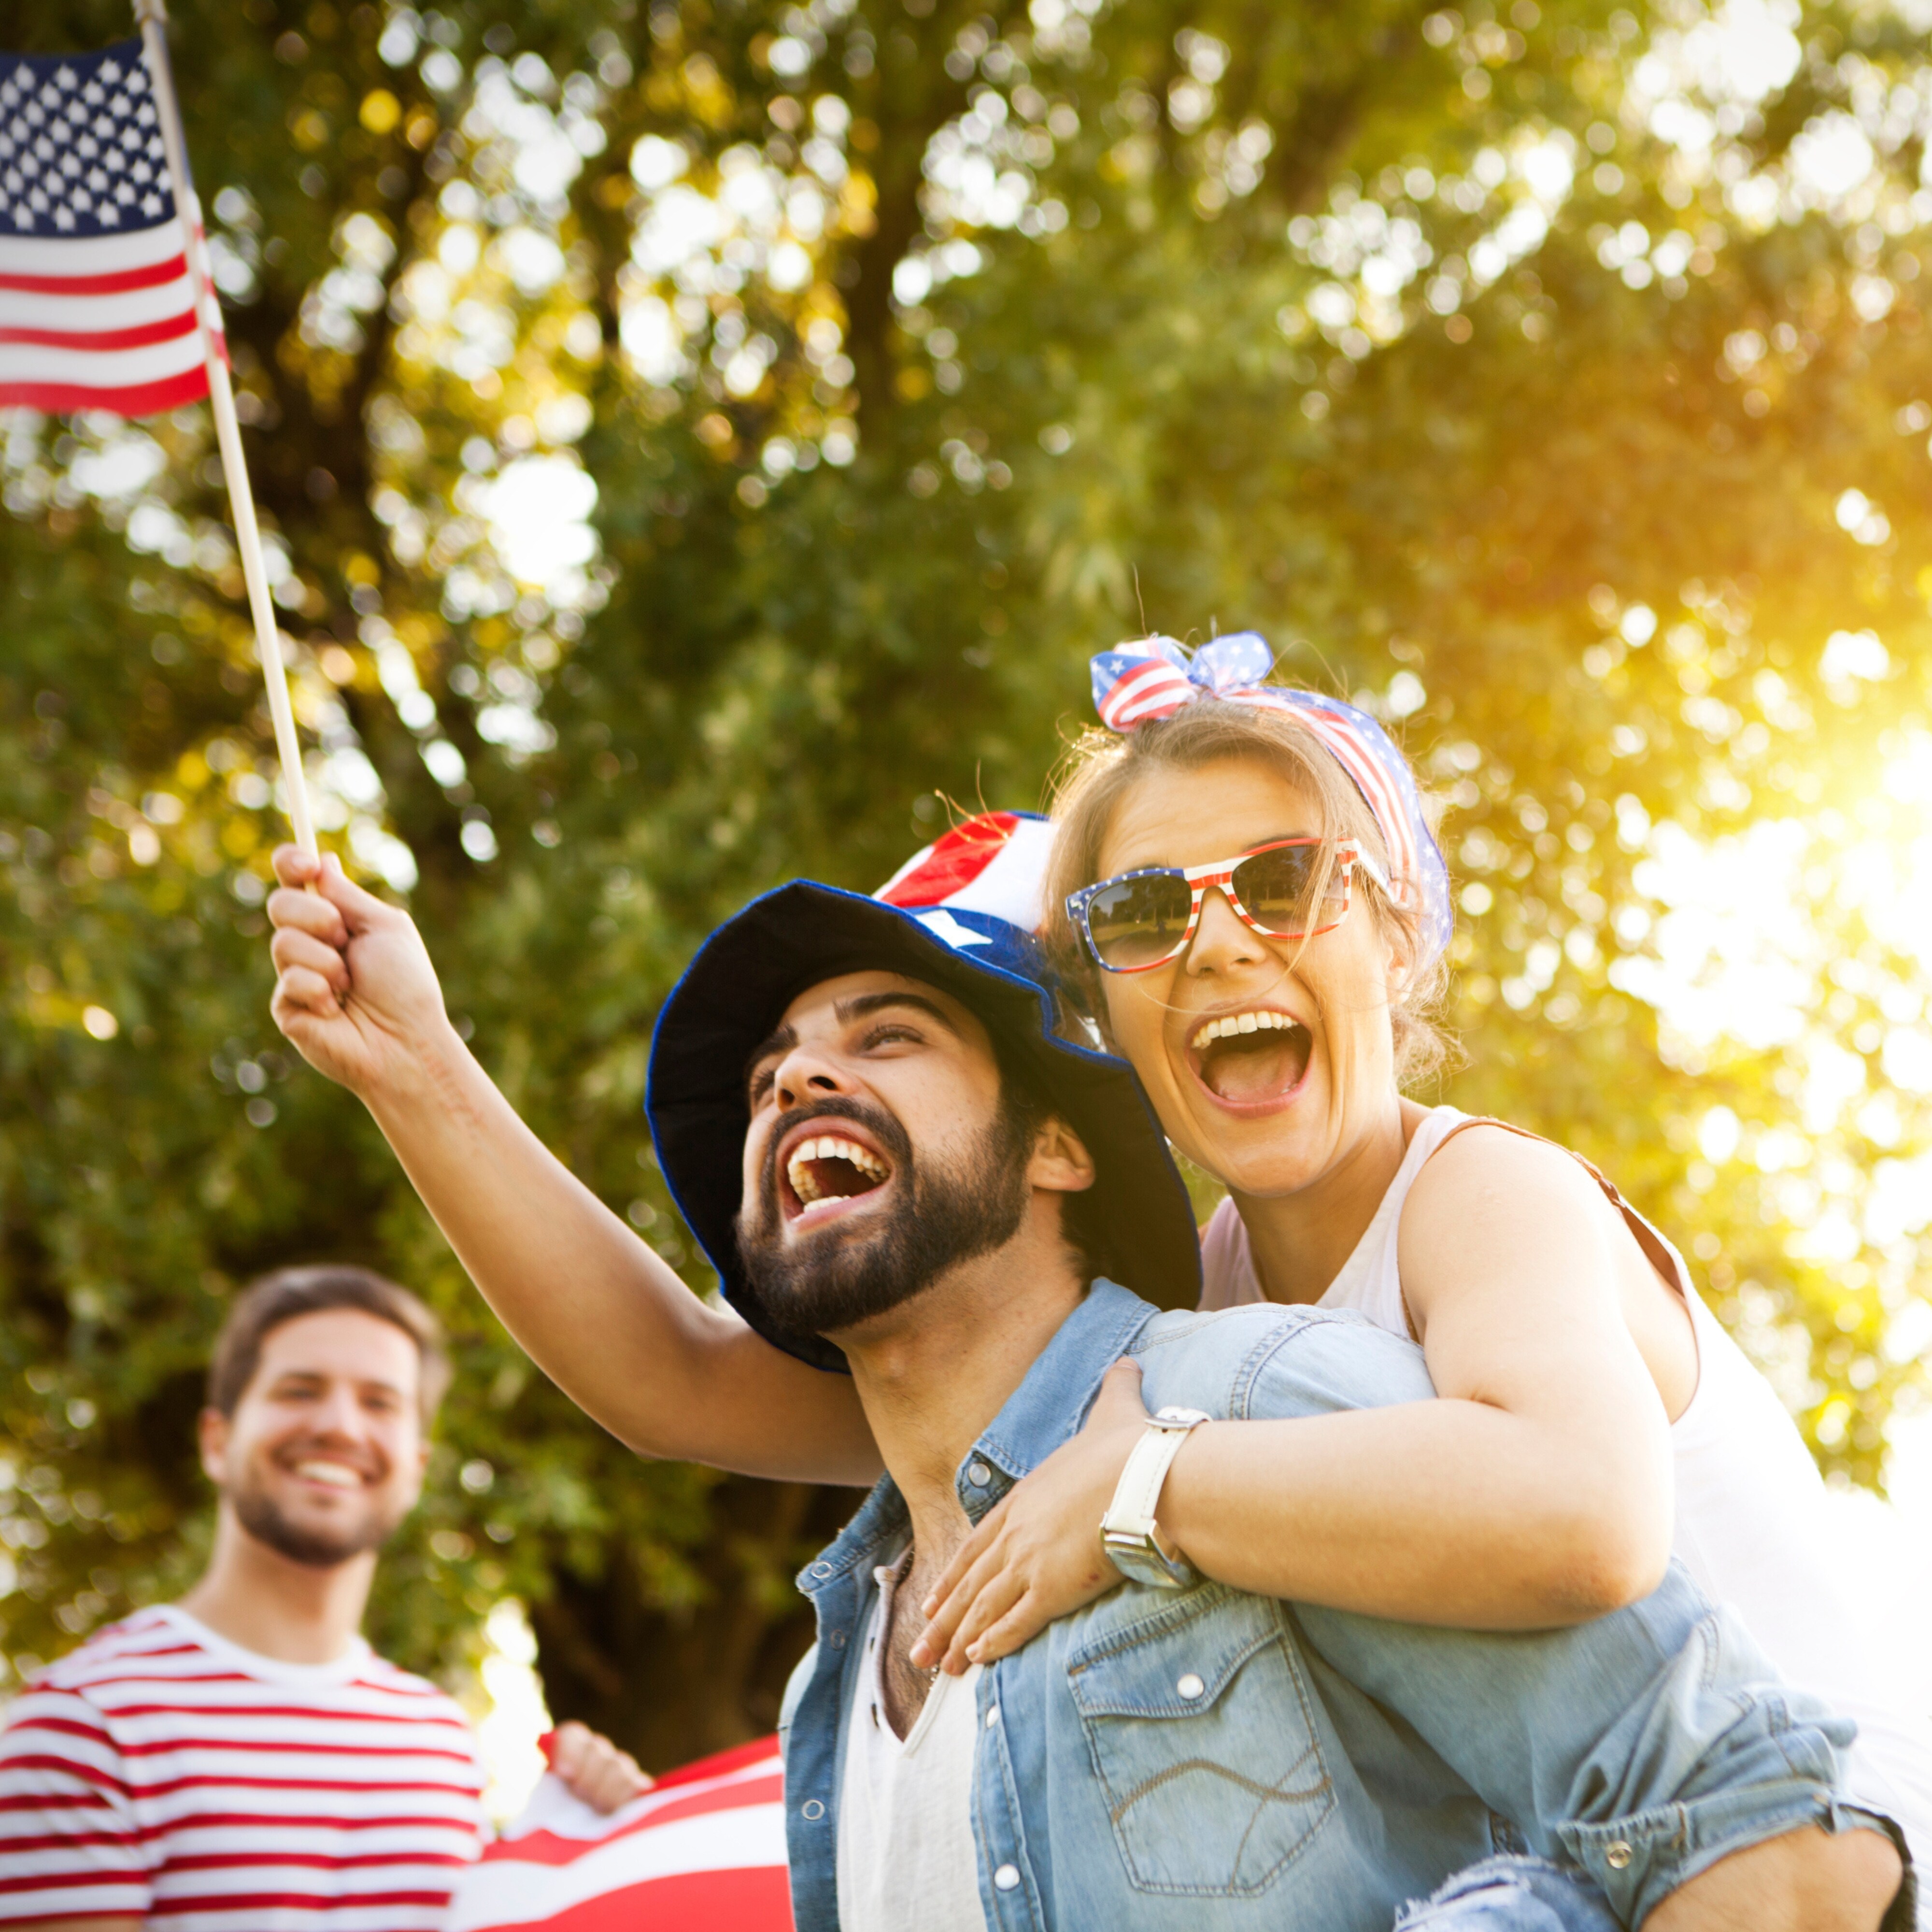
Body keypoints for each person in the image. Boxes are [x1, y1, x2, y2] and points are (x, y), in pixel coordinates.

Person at [260, 824, 1908, 1929]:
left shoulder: (1255, 1396)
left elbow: (1770, 1822)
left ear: (1060, 1142)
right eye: (771, 1071)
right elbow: (669, 1378)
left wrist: (1155, 1489)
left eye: (887, 1032)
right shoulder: (834, 1688)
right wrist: (410, 1060)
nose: (800, 1074)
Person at [896, 632, 1932, 1921]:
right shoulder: (1191, 1311)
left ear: (1394, 943)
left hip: (1808, 1845)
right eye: (1147, 914)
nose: (1218, 945)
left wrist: (1143, 1482)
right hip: (1550, 1870)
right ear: (1102, 1014)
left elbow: (1587, 1518)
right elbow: (709, 1391)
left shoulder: (1483, 1199)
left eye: (1282, 882)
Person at [0, 1265, 647, 1932]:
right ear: (217, 1442)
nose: (340, 1426)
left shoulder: (439, 1739)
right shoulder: (83, 1725)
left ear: (416, 1470)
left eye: (380, 1402)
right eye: (299, 1390)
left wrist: (598, 1833)